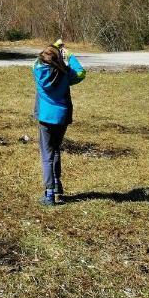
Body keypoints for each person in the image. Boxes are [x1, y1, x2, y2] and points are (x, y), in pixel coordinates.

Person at [33, 40, 85, 207]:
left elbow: (36, 60)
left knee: (46, 155)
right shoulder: (66, 74)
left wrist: (53, 47)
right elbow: (81, 73)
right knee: (56, 150)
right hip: (62, 117)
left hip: (45, 118)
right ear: (59, 60)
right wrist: (68, 54)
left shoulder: (37, 71)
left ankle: (49, 194)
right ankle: (57, 184)